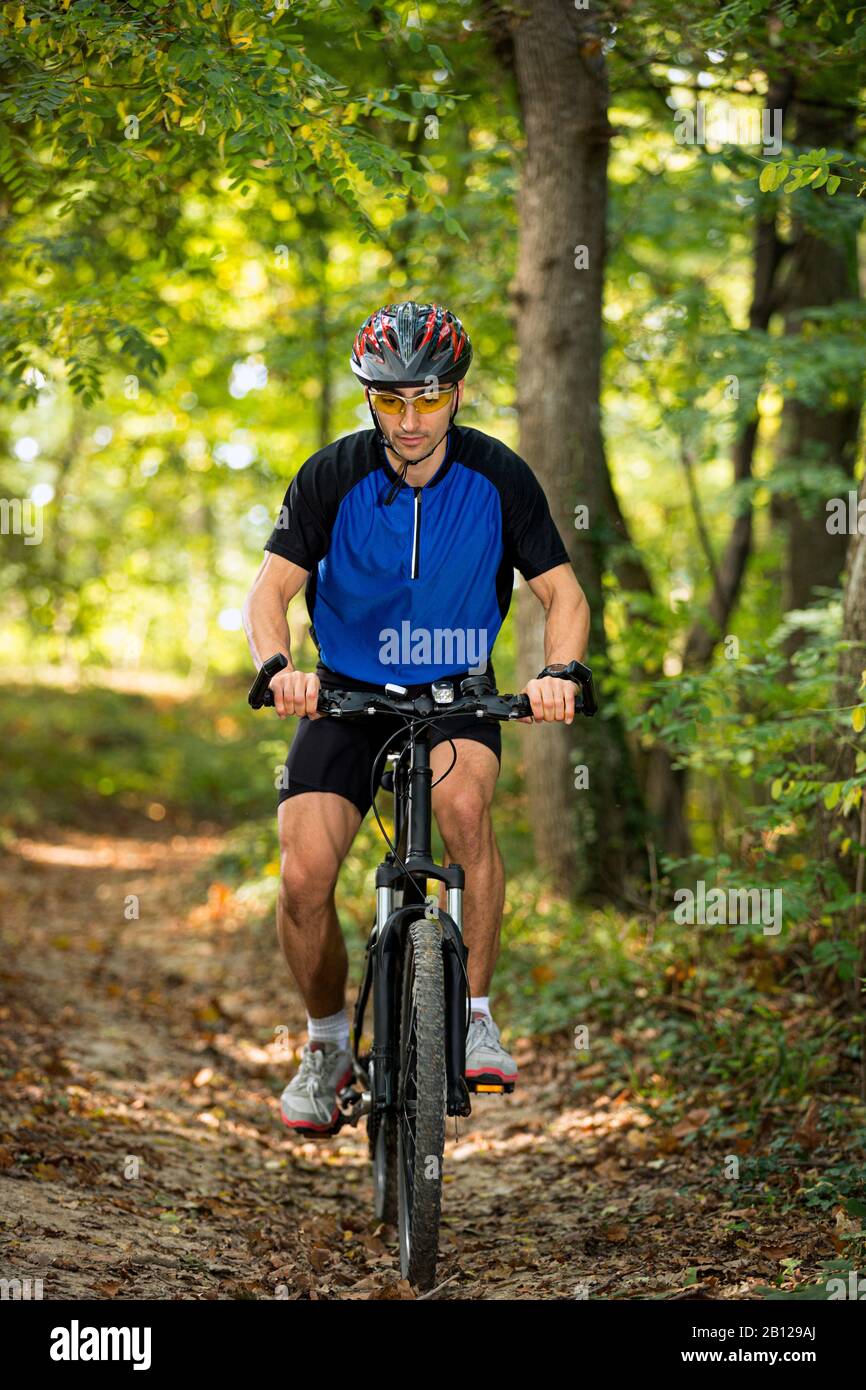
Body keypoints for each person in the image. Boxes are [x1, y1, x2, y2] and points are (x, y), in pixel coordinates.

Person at [242, 300, 590, 1135]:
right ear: (370, 398)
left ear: (457, 393)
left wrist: (559, 671)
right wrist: (277, 667)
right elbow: (269, 592)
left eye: (427, 399)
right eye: (390, 399)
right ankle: (327, 1046)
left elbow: (563, 595)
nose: (408, 419)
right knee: (302, 878)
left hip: (456, 696)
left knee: (465, 808)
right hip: (344, 695)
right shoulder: (332, 473)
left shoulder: (500, 475)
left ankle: (475, 1015)